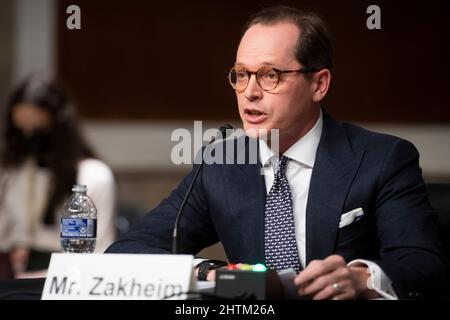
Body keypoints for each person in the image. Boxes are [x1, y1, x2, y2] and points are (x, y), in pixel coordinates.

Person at [106, 6, 448, 299]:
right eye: (240, 75)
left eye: (270, 75)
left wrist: (361, 278)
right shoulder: (221, 165)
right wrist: (210, 272)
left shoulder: (382, 159)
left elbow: (424, 267)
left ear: (319, 84)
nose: (249, 93)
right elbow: (127, 251)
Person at [0, 74, 116, 277]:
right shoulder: (11, 172)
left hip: (69, 274)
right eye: (21, 131)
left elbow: (101, 250)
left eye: (37, 132)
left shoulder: (93, 175)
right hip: (16, 272)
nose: (28, 138)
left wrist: (49, 273)